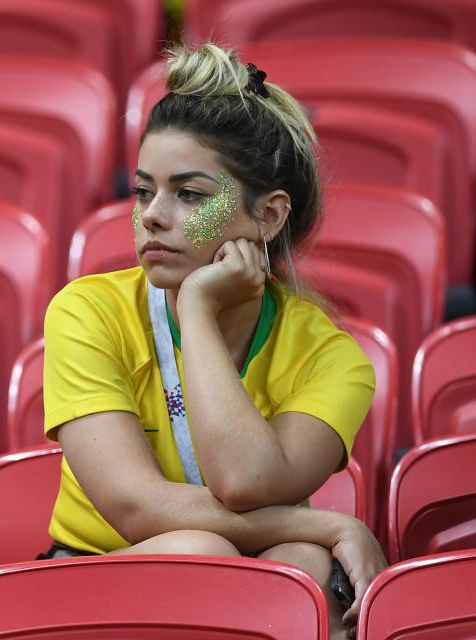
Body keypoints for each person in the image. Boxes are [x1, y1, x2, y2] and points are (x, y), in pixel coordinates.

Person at [42, 43, 387, 639]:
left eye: (190, 194)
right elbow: (135, 511)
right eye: (144, 191)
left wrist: (197, 313)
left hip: (249, 579)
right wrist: (330, 526)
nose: (152, 215)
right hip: (91, 585)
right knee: (206, 549)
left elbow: (244, 481)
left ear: (269, 216)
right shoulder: (86, 311)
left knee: (303, 571)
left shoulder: (333, 359)